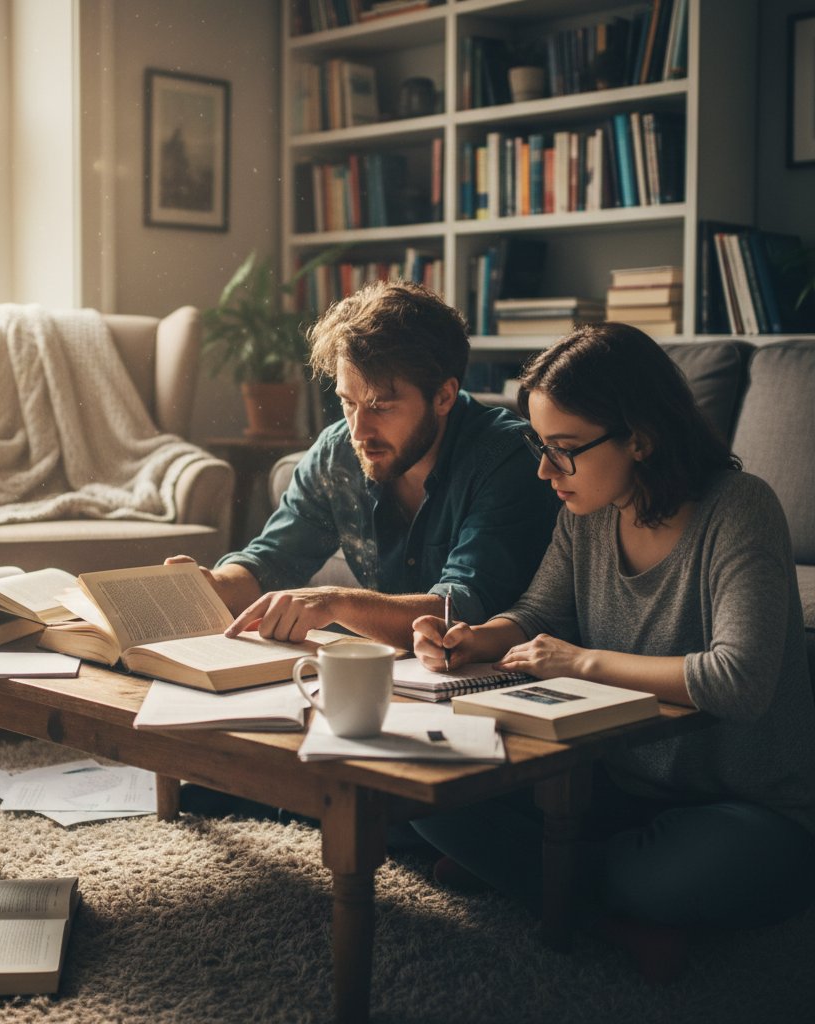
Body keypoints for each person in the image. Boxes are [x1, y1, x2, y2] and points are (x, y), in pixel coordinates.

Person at [410, 322, 815, 975]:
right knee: (426, 794)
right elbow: (541, 610)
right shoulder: (586, 511)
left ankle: (548, 878)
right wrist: (475, 640)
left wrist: (579, 662)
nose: (545, 470)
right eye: (540, 446)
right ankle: (599, 908)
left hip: (749, 811)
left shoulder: (740, 509)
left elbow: (739, 679)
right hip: (612, 782)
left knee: (670, 875)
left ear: (641, 439)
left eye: (563, 449)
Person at [168, 278, 558, 651]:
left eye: (380, 407)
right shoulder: (338, 452)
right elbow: (270, 561)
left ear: (443, 396)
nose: (358, 429)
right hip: (404, 674)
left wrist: (334, 603)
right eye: (348, 402)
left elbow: (460, 611)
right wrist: (215, 585)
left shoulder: (507, 458)